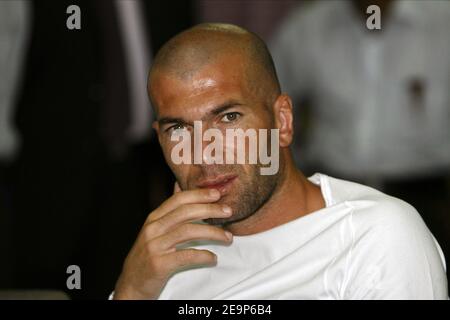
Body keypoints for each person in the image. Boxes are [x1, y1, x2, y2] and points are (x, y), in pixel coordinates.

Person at [112, 23, 447, 300]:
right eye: (179, 129)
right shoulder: (160, 261)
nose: (204, 153)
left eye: (229, 118)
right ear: (159, 139)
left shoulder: (373, 237)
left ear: (282, 121)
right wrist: (132, 291)